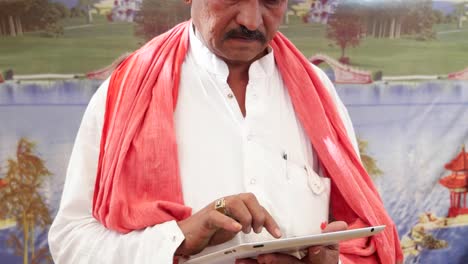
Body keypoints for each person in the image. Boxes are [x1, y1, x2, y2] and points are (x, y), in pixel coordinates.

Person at [49, 1, 403, 263]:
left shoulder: (319, 95)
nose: (250, 19)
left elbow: (367, 244)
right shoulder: (125, 92)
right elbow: (72, 243)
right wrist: (178, 240)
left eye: (270, 1)